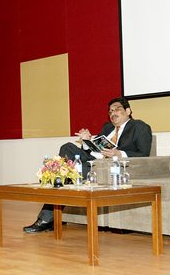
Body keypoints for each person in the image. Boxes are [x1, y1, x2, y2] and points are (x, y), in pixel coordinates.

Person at [23, 96, 152, 233]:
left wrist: (119, 153)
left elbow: (144, 153)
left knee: (66, 176)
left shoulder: (139, 126)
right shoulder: (107, 127)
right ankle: (64, 176)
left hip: (110, 166)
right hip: (92, 161)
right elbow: (92, 151)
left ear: (128, 111)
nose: (112, 113)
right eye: (110, 111)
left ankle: (46, 217)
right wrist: (86, 141)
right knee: (67, 147)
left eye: (117, 109)